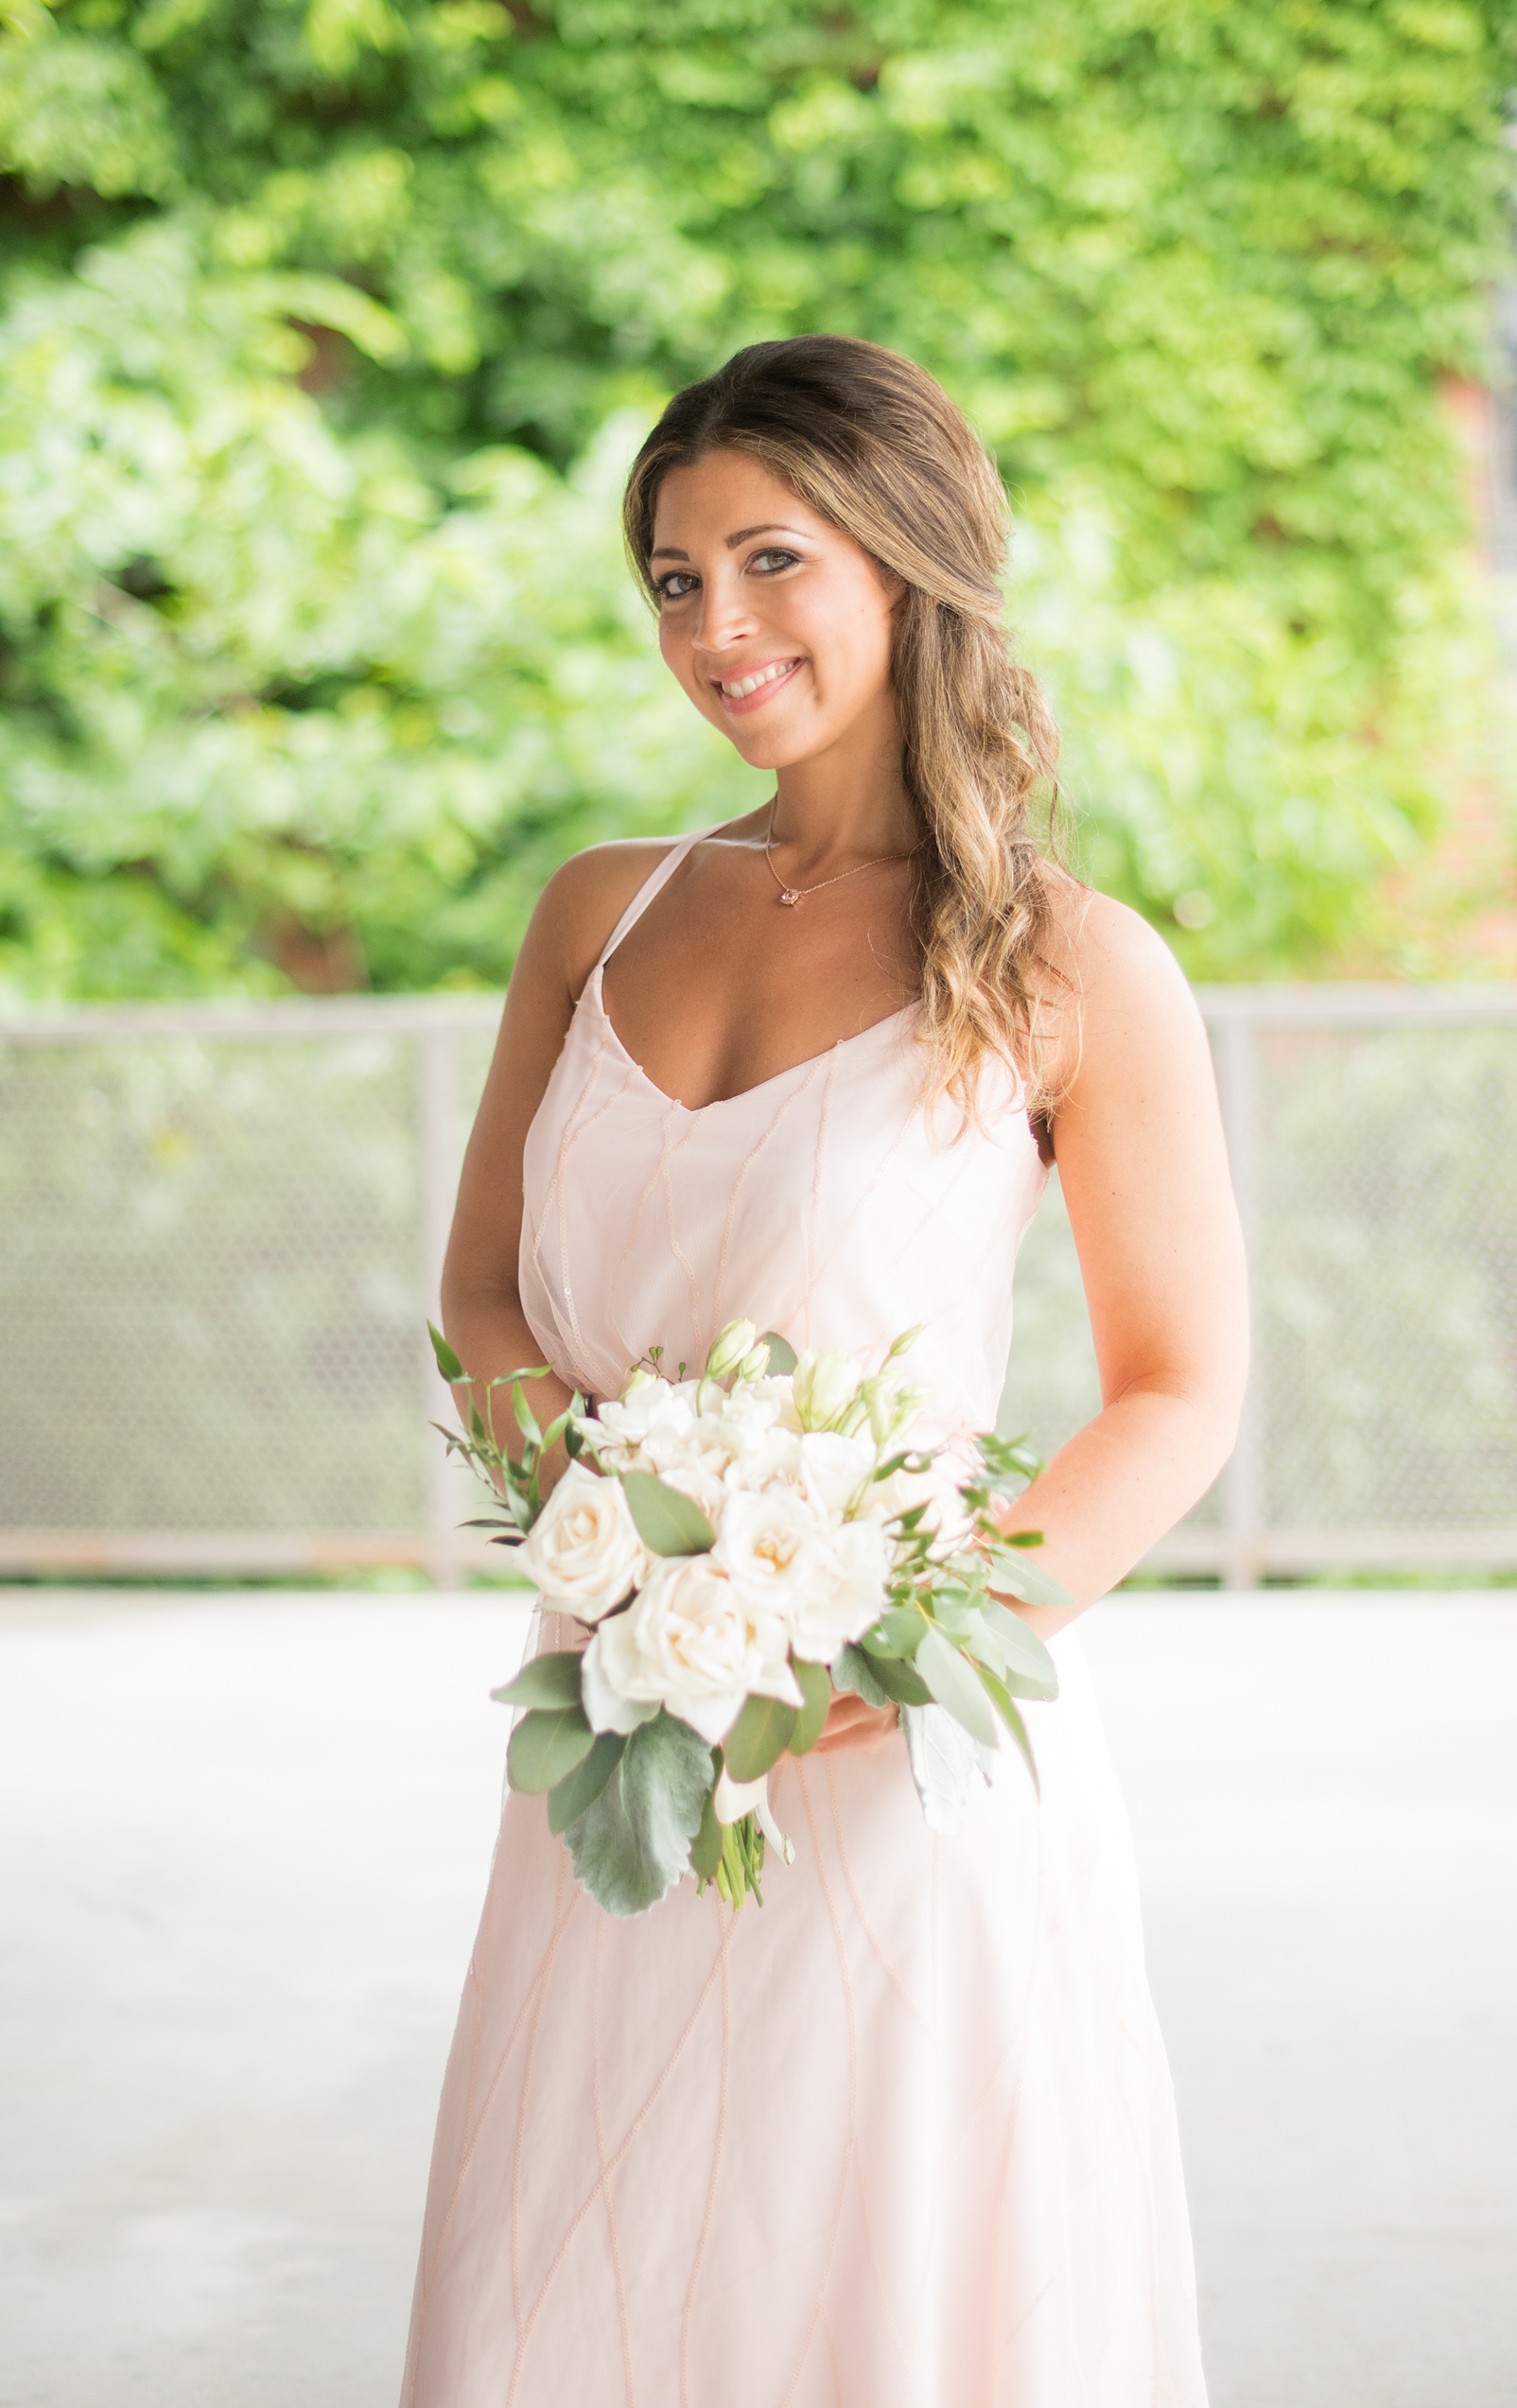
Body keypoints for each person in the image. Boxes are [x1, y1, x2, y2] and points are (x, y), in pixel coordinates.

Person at [400, 335, 1247, 2407]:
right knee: (570, 2294)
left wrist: (887, 1652)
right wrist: (628, 1560)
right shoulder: (597, 913)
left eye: (771, 560)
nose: (718, 627)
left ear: (906, 559)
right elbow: (489, 1297)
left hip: (902, 1787)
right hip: (612, 1751)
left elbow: (1176, 1386)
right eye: (675, 579)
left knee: (879, 2296)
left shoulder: (1068, 960)